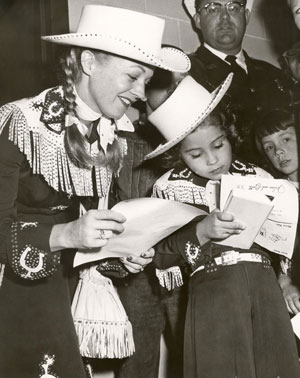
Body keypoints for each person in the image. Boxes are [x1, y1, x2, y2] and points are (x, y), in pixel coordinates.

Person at [0, 4, 190, 378]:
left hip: (70, 298)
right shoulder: (18, 123)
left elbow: (85, 246)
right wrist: (67, 234)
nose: (140, 93)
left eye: (146, 80)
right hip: (17, 299)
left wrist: (120, 254)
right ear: (89, 62)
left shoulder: (109, 138)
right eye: (133, 76)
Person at [144, 74, 300, 378]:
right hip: (214, 294)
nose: (213, 160)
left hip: (266, 291)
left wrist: (284, 277)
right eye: (196, 154)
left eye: (219, 145)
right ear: (178, 154)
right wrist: (202, 231)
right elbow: (159, 257)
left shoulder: (260, 176)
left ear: (229, 136)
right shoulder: (170, 187)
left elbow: (285, 241)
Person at [109, 69, 187, 378]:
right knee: (137, 360)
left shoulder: (195, 137)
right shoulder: (124, 139)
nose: (171, 91)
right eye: (162, 84)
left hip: (185, 265)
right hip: (137, 269)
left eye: (179, 86)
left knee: (193, 351)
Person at [183, 0, 290, 165]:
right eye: (213, 9)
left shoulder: (274, 75)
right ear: (197, 20)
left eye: (233, 8)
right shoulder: (186, 74)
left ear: (246, 16)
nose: (225, 17)